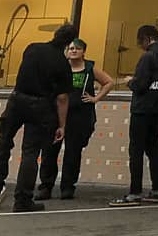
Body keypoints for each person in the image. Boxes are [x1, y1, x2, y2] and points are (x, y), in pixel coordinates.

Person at [0, 23, 75, 212]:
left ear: (55, 34)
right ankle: (23, 199)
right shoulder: (62, 64)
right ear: (69, 43)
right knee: (30, 152)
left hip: (17, 99)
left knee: (4, 140)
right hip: (41, 105)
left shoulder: (32, 48)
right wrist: (62, 125)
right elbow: (63, 98)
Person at [36, 37, 113, 200]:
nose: (73, 51)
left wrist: (95, 98)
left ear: (83, 52)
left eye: (77, 48)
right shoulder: (60, 68)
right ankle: (46, 186)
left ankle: (68, 187)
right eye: (71, 48)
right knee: (50, 150)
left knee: (73, 151)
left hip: (80, 115)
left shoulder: (90, 68)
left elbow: (109, 82)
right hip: (57, 113)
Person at [110, 24, 158, 206]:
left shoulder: (148, 57)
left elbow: (140, 85)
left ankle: (134, 192)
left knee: (136, 150)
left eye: (140, 42)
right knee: (154, 149)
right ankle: (156, 190)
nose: (140, 46)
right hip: (157, 108)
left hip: (141, 109)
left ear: (146, 38)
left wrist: (130, 81)